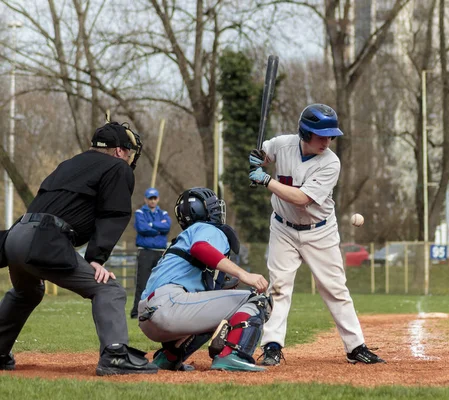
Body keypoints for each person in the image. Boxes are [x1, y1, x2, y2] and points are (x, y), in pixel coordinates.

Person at [0, 121, 158, 376]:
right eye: (128, 151)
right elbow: (113, 214)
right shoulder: (118, 167)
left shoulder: (70, 164)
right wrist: (97, 258)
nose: (128, 157)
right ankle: (115, 356)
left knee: (26, 292)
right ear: (119, 151)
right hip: (42, 238)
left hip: (15, 235)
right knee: (110, 290)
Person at [248, 103, 385, 366]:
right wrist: (256, 159)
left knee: (335, 288)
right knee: (279, 287)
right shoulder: (282, 144)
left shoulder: (331, 163)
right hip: (283, 228)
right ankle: (272, 346)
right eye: (321, 135)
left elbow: (301, 199)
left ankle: (355, 347)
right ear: (304, 133)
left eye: (330, 135)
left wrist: (265, 180)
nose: (327, 141)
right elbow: (263, 156)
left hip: (320, 232)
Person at [138, 187, 271, 372]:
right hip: (169, 305)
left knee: (214, 309)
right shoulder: (207, 228)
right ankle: (233, 356)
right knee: (258, 300)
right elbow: (200, 248)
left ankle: (169, 357)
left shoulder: (182, 238)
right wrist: (244, 275)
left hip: (148, 318)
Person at [130, 187, 171, 319]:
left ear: (158, 199)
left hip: (159, 252)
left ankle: (156, 310)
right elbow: (142, 228)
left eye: (154, 198)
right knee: (142, 283)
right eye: (150, 198)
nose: (152, 201)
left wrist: (151, 225)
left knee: (160, 283)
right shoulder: (140, 212)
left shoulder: (164, 213)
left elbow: (167, 227)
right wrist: (158, 229)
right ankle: (136, 311)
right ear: (145, 199)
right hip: (145, 252)